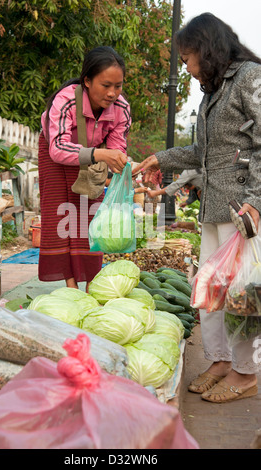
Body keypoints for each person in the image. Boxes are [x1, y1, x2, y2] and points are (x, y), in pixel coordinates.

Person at [132, 13, 261, 403]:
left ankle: (245, 372)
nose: (186, 68)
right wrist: (161, 158)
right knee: (211, 290)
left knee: (242, 295)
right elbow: (202, 154)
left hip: (243, 209)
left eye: (188, 58)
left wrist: (256, 201)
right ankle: (221, 360)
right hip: (215, 208)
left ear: (207, 50)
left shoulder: (250, 78)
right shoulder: (212, 90)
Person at [38, 46, 131, 292]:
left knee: (89, 215)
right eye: (106, 85)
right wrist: (100, 154)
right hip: (55, 154)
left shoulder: (121, 109)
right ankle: (70, 285)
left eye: (118, 86)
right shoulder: (66, 99)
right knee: (59, 214)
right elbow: (57, 148)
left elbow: (117, 147)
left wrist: (123, 163)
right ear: (87, 81)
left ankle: (92, 282)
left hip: (92, 155)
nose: (113, 93)